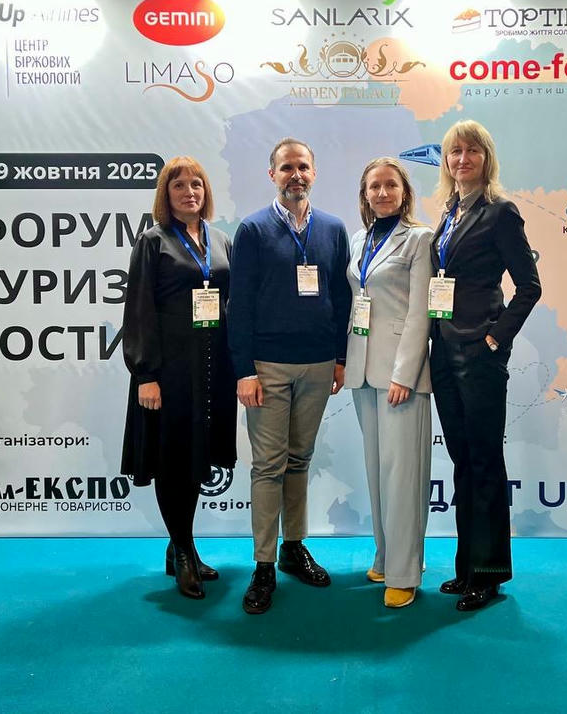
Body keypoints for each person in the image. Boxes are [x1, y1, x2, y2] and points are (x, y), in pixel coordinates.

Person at [227, 137, 352, 615]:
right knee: (268, 465)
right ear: (272, 175)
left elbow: (341, 299)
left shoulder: (333, 229)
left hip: (319, 364)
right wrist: (244, 370)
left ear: (313, 173)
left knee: (300, 459)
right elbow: (239, 305)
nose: (295, 175)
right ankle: (263, 565)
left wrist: (340, 357)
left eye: (302, 167)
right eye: (286, 168)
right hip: (268, 367)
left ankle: (293, 548)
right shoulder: (253, 230)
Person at [429, 120, 541, 612]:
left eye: (472, 151)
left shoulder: (500, 213)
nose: (462, 159)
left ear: (486, 158)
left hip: (479, 354)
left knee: (484, 463)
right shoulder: (448, 214)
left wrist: (496, 336)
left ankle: (489, 574)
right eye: (455, 152)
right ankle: (466, 569)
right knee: (462, 462)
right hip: (442, 352)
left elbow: (529, 286)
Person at [121, 156, 237, 600]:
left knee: (195, 460)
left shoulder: (220, 240)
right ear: (165, 195)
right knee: (172, 462)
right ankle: (185, 551)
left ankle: (178, 546)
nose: (190, 192)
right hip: (168, 373)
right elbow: (139, 310)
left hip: (212, 369)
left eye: (196, 185)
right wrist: (146, 374)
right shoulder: (153, 242)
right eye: (179, 186)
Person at [344, 158, 434, 609]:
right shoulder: (359, 239)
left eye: (390, 185)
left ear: (404, 191)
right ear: (365, 194)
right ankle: (385, 556)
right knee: (378, 471)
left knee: (403, 476)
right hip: (362, 368)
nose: (382, 193)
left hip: (401, 375)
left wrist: (406, 372)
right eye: (374, 186)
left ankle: (405, 572)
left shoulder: (420, 238)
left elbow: (420, 312)